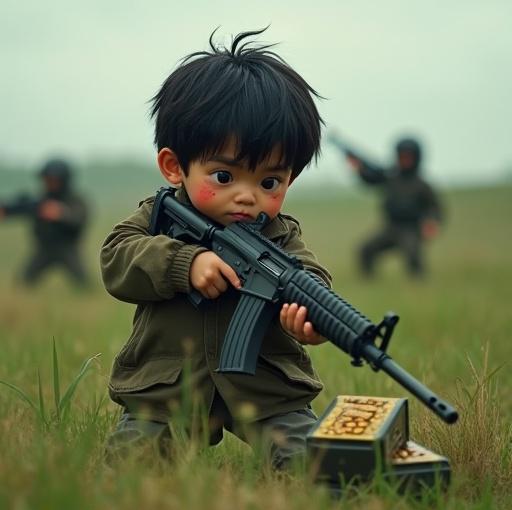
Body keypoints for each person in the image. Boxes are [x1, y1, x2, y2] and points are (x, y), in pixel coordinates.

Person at [100, 29, 332, 470]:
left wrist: (313, 318)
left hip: (267, 390)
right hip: (169, 388)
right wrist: (183, 263)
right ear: (174, 167)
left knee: (316, 466)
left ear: (290, 180)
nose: (247, 196)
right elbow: (116, 257)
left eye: (269, 182)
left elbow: (309, 274)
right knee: (128, 469)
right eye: (224, 177)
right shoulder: (157, 218)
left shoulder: (278, 234)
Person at [330, 134, 442, 277]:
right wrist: (359, 169)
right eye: (401, 157)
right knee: (365, 250)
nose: (404, 160)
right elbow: (371, 179)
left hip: (411, 229)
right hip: (391, 227)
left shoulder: (422, 185)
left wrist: (432, 222)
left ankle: (418, 285)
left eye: (408, 157)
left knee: (413, 254)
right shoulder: (391, 176)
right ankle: (369, 283)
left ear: (416, 158)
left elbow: (435, 208)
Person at [0, 158, 89, 286]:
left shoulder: (75, 200)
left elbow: (79, 219)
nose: (49, 183)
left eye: (53, 180)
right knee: (24, 283)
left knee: (83, 284)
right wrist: (6, 211)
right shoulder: (41, 200)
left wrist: (61, 214)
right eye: (47, 179)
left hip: (67, 248)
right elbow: (21, 208)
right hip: (44, 249)